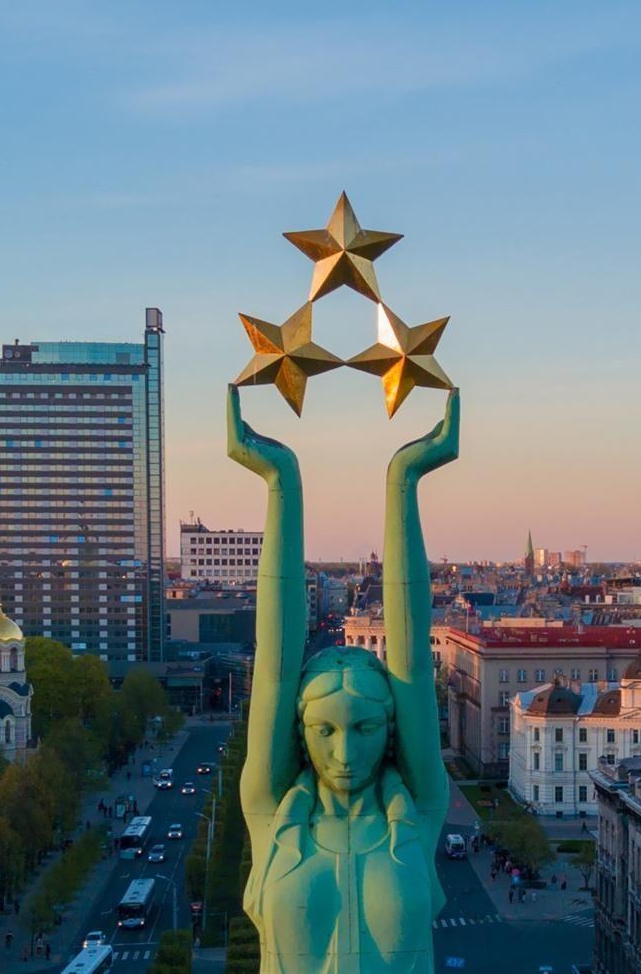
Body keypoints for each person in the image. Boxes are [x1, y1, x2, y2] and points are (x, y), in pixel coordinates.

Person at [232, 386, 459, 974]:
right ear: (300, 732)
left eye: (364, 727)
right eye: (324, 731)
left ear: (390, 730)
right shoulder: (272, 814)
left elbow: (409, 655)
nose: (344, 751)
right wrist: (281, 480)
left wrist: (404, 480)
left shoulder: (418, 813)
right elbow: (276, 660)